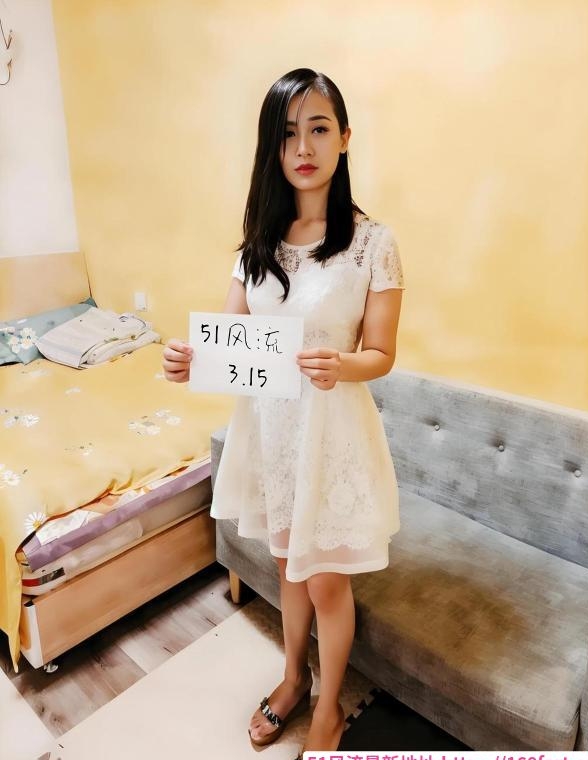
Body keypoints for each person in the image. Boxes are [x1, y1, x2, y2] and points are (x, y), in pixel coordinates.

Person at [162, 68, 405, 757]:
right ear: (273, 146)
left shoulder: (372, 243)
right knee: (286, 567)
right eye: (288, 132)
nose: (304, 146)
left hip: (333, 435)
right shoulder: (257, 247)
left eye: (319, 128)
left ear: (344, 138)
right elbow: (229, 341)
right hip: (271, 433)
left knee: (325, 580)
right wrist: (188, 360)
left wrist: (342, 364)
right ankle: (293, 677)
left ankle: (329, 708)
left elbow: (381, 353)